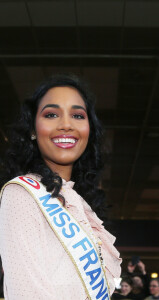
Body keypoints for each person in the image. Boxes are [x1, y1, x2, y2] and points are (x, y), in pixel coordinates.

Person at [0, 74, 122, 299]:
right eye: (51, 114)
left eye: (77, 115)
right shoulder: (22, 194)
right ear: (33, 130)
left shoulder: (80, 202)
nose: (66, 124)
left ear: (89, 130)